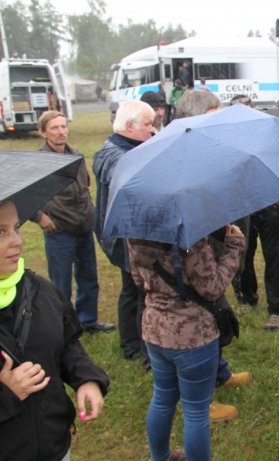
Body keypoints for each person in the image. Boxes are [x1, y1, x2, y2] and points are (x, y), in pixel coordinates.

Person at [0, 199, 109, 461]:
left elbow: (67, 342)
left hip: (55, 447)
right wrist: (8, 394)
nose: (17, 241)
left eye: (16, 227)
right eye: (0, 232)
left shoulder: (38, 290)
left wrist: (86, 379)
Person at [128, 222, 245, 461]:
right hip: (192, 336)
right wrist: (234, 246)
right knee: (196, 412)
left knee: (162, 398)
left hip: (155, 331)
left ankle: (159, 457)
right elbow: (212, 288)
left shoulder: (134, 233)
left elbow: (138, 282)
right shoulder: (190, 238)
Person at [175, 89, 253, 423]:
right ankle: (201, 400)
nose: (220, 118)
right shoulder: (180, 152)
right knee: (203, 319)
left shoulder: (206, 146)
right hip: (193, 252)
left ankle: (219, 374)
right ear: (198, 115)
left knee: (216, 312)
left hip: (212, 240)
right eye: (214, 112)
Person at [32, 111, 114, 332]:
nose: (61, 132)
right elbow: (26, 196)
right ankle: (65, 326)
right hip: (59, 230)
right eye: (54, 128)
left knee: (89, 277)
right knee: (61, 284)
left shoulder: (76, 154)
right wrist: (40, 217)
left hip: (84, 227)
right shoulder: (39, 161)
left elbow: (85, 187)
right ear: (43, 133)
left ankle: (87, 320)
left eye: (63, 126)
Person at [93, 100, 155, 370]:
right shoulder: (118, 155)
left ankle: (130, 344)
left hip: (121, 234)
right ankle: (143, 350)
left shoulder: (118, 148)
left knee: (130, 290)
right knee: (142, 291)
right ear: (129, 126)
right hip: (125, 237)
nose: (152, 131)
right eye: (148, 125)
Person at [230, 94, 279, 331]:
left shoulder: (271, 136)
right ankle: (247, 298)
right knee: (241, 256)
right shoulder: (227, 140)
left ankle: (277, 310)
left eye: (247, 110)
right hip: (241, 207)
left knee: (274, 258)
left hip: (270, 207)